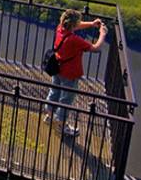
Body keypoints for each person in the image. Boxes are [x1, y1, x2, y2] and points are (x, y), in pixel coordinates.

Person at [44, 9, 108, 137]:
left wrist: (91, 24)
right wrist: (102, 34)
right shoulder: (74, 40)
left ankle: (49, 116)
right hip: (70, 73)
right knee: (66, 99)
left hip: (57, 68)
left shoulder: (60, 28)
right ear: (73, 24)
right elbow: (96, 48)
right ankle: (61, 126)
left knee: (54, 91)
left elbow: (75, 25)